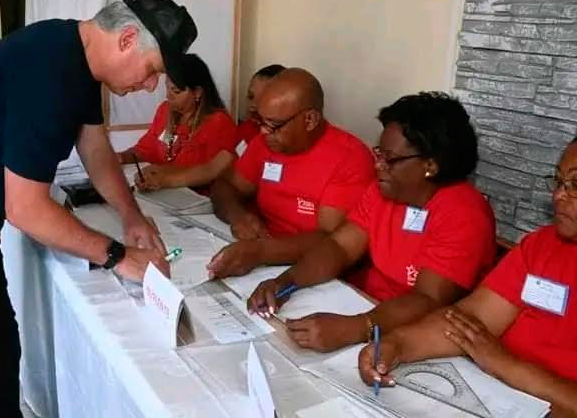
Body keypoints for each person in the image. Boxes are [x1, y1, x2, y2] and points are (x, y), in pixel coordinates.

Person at [0, 0, 197, 417]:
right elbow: (26, 210)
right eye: (153, 70)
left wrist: (131, 217)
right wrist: (118, 256)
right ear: (127, 39)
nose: (151, 85)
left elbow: (94, 146)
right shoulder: (51, 75)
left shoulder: (73, 49)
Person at [248, 92, 496, 353]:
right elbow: (340, 248)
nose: (377, 165)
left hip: (411, 337)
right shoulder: (384, 190)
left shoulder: (465, 213)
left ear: (430, 165)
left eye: (389, 159)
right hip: (364, 306)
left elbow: (428, 299)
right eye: (378, 153)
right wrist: (285, 282)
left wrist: (357, 328)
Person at [358, 138, 577, 417]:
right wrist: (397, 345)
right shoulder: (542, 246)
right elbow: (469, 322)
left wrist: (505, 365)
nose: (558, 195)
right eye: (558, 181)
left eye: (576, 185)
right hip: (497, 395)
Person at [207, 68, 375, 279]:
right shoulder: (266, 143)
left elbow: (331, 241)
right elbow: (225, 185)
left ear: (310, 120)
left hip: (314, 272)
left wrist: (261, 251)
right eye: (261, 121)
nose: (263, 131)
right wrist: (237, 216)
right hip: (260, 256)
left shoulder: (350, 158)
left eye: (274, 125)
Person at [116, 53, 237, 193]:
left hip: (198, 199)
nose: (168, 96)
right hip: (164, 191)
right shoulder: (165, 110)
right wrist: (122, 157)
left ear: (197, 92)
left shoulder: (218, 123)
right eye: (167, 88)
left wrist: (165, 175)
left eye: (176, 91)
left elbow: (212, 172)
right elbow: (147, 150)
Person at [235, 64, 286, 151]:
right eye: (251, 97)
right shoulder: (245, 128)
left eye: (262, 100)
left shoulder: (287, 140)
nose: (252, 107)